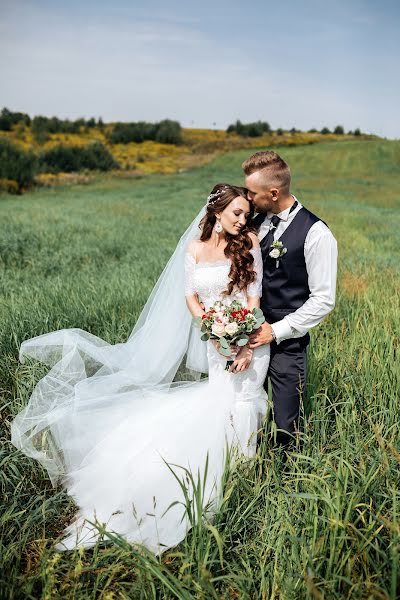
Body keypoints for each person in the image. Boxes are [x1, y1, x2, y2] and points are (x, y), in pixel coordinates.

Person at [10, 184, 270, 554]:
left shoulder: (249, 244)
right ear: (216, 212)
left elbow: (254, 297)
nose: (244, 221)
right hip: (217, 342)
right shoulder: (194, 248)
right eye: (237, 214)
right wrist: (211, 328)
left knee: (243, 401)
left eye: (246, 214)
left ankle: (244, 474)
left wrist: (243, 342)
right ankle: (223, 472)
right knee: (219, 401)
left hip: (251, 341)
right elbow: (191, 296)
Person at [243, 150, 338, 446]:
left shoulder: (317, 234)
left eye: (252, 192)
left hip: (288, 344)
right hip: (246, 338)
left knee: (286, 424)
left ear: (273, 192)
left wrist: (276, 331)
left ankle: (283, 479)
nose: (247, 197)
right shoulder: (255, 223)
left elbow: (323, 299)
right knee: (245, 412)